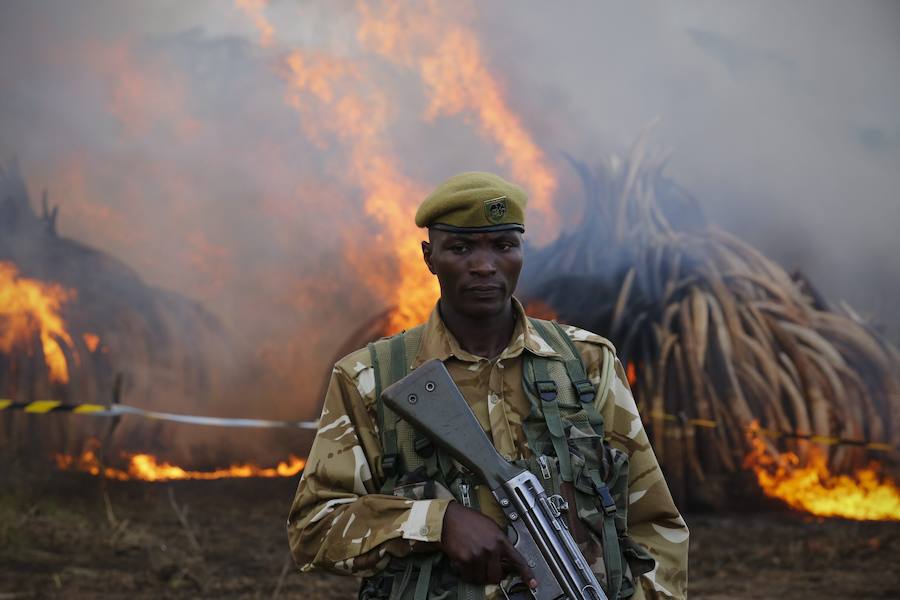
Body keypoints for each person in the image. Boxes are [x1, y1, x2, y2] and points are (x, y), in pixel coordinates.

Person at [287, 172, 689, 599]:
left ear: (521, 252)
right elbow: (315, 528)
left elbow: (655, 523)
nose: (484, 265)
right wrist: (435, 523)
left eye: (503, 246)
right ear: (429, 257)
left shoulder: (585, 362)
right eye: (461, 248)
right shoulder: (370, 378)